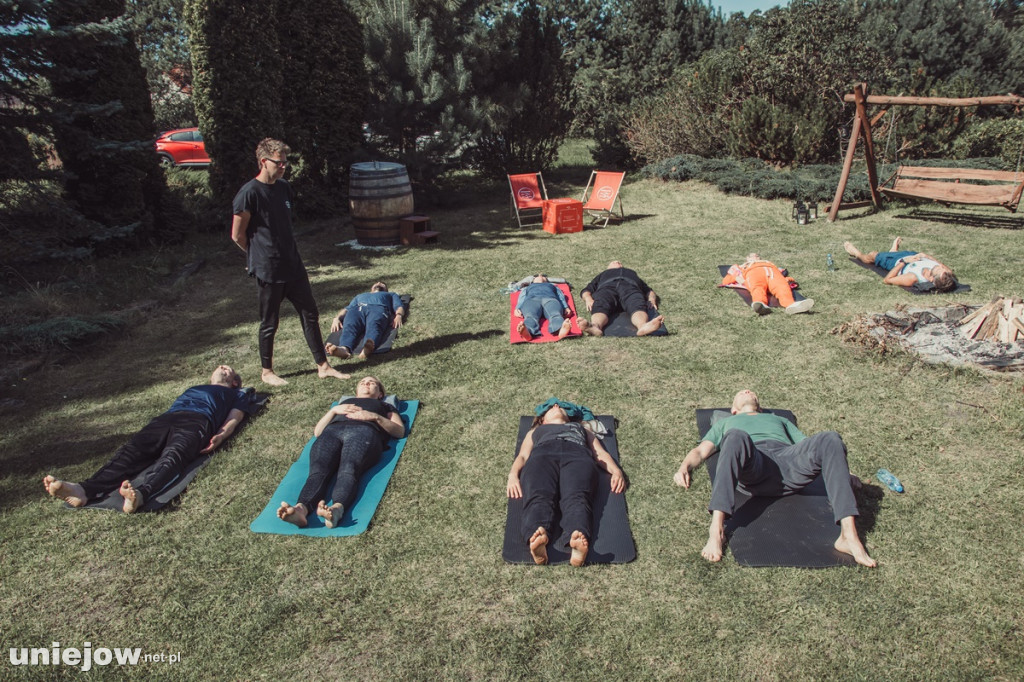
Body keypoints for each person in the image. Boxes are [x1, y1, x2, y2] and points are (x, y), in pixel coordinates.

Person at [673, 389, 876, 567]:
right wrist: (684, 467)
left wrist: (844, 471)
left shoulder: (780, 420)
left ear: (759, 407)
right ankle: (717, 529)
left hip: (789, 462)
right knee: (735, 436)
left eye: (750, 392)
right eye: (741, 392)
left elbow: (810, 446)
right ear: (733, 409)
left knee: (830, 437)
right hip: (755, 463)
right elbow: (700, 451)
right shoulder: (727, 423)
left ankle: (848, 536)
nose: (747, 390)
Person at [43, 365, 250, 514]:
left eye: (228, 369)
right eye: (220, 367)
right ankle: (83, 490)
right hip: (166, 419)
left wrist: (221, 435)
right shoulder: (195, 388)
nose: (223, 367)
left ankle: (140, 494)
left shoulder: (237, 393)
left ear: (234, 382)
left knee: (174, 456)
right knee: (130, 453)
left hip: (198, 423)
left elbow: (235, 417)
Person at [230, 137, 347, 386]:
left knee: (310, 314)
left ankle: (323, 366)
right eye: (279, 162)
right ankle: (267, 372)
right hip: (268, 269)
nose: (284, 166)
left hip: (293, 264)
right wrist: (255, 256)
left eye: (285, 162)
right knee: (270, 322)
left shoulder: (283, 188)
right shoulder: (249, 193)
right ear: (263, 161)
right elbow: (237, 235)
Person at [506, 403, 626, 566]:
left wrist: (616, 471)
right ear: (542, 420)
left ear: (569, 417)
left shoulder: (581, 429)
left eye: (561, 407)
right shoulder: (535, 431)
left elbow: (599, 454)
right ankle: (537, 535)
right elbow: (523, 456)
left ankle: (576, 538)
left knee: (577, 497)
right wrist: (513, 475)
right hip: (542, 457)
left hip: (577, 457)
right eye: (551, 408)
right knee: (539, 495)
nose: (556, 405)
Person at [277, 376, 404, 528]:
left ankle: (336, 509)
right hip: (331, 432)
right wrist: (333, 411)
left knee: (348, 468)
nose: (366, 384)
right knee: (318, 470)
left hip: (363, 432)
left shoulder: (385, 406)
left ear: (380, 394)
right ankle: (300, 510)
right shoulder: (344, 404)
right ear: (356, 391)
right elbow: (317, 432)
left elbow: (399, 431)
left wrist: (375, 417)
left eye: (372, 383)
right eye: (362, 382)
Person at [578, 261, 664, 336]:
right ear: (608, 268)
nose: (617, 262)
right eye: (613, 262)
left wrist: (651, 300)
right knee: (601, 302)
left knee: (636, 302)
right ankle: (595, 326)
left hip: (630, 287)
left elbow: (649, 291)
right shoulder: (603, 274)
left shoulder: (632, 273)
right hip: (607, 288)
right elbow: (586, 290)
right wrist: (588, 298)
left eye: (619, 262)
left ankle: (642, 326)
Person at [326, 282, 405, 361]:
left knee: (374, 326)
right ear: (371, 289)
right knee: (349, 326)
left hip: (378, 308)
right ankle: (343, 350)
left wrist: (398, 315)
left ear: (386, 290)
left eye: (382, 284)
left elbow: (399, 306)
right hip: (357, 309)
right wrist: (337, 318)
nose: (379, 283)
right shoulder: (360, 296)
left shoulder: (391, 294)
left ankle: (367, 349)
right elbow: (347, 309)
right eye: (376, 283)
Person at [844, 237, 958, 292]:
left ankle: (856, 253)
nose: (940, 265)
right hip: (913, 255)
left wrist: (905, 262)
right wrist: (927, 257)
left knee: (872, 256)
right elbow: (947, 271)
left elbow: (887, 280)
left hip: (897, 262)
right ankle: (893, 251)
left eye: (939, 268)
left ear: (932, 278)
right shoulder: (946, 273)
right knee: (890, 253)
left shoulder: (913, 277)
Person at [721, 253, 815, 315]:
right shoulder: (740, 266)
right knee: (757, 288)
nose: (755, 256)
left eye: (757, 255)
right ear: (747, 259)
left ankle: (791, 305)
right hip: (753, 273)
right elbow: (727, 279)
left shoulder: (769, 263)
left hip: (772, 273)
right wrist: (737, 278)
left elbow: (782, 273)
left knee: (782, 287)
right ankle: (760, 304)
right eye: (752, 256)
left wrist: (788, 280)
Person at [514, 275, 573, 340]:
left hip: (550, 299)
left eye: (542, 276)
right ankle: (527, 331)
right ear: (532, 281)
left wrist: (566, 307)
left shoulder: (553, 286)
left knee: (556, 314)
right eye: (537, 276)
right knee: (530, 316)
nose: (540, 275)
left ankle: (560, 329)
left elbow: (561, 297)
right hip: (532, 300)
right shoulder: (527, 287)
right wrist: (517, 308)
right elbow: (522, 297)